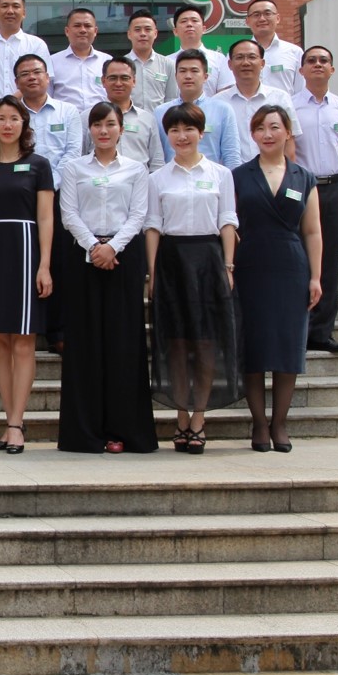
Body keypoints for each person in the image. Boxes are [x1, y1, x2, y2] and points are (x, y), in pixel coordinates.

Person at [57, 102, 155, 454]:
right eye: (97, 124)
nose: (103, 130)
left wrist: (112, 247)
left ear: (121, 129)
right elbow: (68, 213)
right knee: (85, 344)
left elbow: (138, 215)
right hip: (82, 258)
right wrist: (93, 247)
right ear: (89, 130)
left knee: (123, 344)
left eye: (110, 124)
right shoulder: (74, 168)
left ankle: (123, 430)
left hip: (123, 258)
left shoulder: (136, 169)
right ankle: (85, 432)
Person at [145, 103, 240, 455]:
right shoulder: (157, 178)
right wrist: (152, 272)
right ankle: (181, 415)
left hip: (208, 261)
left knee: (205, 342)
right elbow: (153, 226)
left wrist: (228, 266)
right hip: (171, 261)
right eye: (174, 130)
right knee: (176, 342)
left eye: (188, 129)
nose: (181, 136)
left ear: (201, 133)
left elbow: (227, 220)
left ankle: (199, 418)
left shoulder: (221, 174)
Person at [234, 105, 323, 454]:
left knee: (288, 346)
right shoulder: (238, 176)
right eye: (260, 128)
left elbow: (313, 230)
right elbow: (228, 223)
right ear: (252, 134)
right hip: (250, 265)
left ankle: (280, 423)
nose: (267, 134)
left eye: (274, 127)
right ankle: (258, 423)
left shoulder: (304, 177)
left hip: (290, 266)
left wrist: (316, 277)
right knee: (252, 346)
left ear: (287, 132)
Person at [0, 97, 54, 455]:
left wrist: (45, 264)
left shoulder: (38, 165)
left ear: (24, 124)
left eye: (14, 118)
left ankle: (17, 424)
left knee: (23, 341)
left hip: (25, 250)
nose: (7, 124)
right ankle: (9, 421)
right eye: (1, 118)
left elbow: (46, 217)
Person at [15, 53, 81, 353]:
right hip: (20, 197)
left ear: (47, 76)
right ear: (17, 81)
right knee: (23, 262)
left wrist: (46, 186)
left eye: (37, 72)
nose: (32, 77)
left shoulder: (68, 112)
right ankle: (24, 325)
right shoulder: (11, 112)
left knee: (58, 262)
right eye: (25, 74)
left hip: (58, 196)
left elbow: (73, 153)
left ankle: (58, 330)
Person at [294, 45, 338, 354]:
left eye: (324, 61)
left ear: (332, 69)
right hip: (302, 188)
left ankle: (322, 331)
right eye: (311, 61)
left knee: (329, 259)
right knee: (299, 258)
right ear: (301, 70)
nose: (317, 64)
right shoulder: (290, 106)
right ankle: (297, 328)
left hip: (334, 188)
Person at [216, 38, 300, 163]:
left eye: (252, 57)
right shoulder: (218, 102)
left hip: (272, 173)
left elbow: (289, 144)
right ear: (230, 64)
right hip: (232, 173)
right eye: (239, 57)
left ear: (262, 63)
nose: (246, 63)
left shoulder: (280, 98)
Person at [155, 49, 242, 169]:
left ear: (205, 76)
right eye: (182, 71)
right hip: (172, 178)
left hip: (211, 178)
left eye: (194, 71)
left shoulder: (223, 110)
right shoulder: (160, 112)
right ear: (175, 76)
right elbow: (157, 157)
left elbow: (232, 156)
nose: (188, 76)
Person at [90, 57, 164, 171]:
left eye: (124, 78)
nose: (118, 83)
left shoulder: (147, 119)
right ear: (103, 81)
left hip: (139, 181)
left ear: (134, 81)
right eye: (113, 78)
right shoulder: (88, 117)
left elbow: (157, 162)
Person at [48, 7, 111, 110]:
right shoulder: (52, 62)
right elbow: (47, 97)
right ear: (67, 31)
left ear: (95, 31)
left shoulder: (107, 61)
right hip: (66, 119)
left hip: (101, 118)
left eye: (87, 26)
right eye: (77, 26)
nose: (83, 30)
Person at [167, 4, 232, 96]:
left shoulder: (219, 59)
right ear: (175, 31)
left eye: (194, 20)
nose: (189, 24)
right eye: (184, 21)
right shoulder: (167, 61)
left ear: (204, 29)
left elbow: (225, 93)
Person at [244, 0, 305, 95]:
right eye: (256, 15)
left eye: (267, 14)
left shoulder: (295, 52)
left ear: (277, 18)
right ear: (247, 21)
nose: (262, 19)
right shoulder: (237, 54)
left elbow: (301, 91)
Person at [123, 9, 176, 113]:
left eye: (148, 29)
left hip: (159, 121)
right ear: (129, 34)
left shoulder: (168, 64)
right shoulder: (120, 65)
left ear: (155, 33)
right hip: (128, 120)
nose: (143, 34)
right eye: (137, 30)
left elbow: (172, 99)